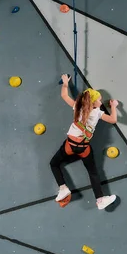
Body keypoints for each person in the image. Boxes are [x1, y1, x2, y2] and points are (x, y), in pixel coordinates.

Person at [50, 74, 118, 210]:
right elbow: (113, 120)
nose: (101, 101)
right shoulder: (98, 113)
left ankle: (63, 188)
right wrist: (114, 106)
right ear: (94, 103)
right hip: (84, 148)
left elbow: (64, 96)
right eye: (99, 99)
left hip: (70, 145)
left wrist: (65, 83)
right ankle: (100, 200)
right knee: (93, 172)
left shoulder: (77, 107)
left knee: (54, 164)